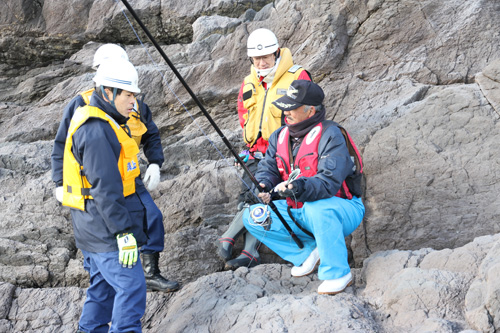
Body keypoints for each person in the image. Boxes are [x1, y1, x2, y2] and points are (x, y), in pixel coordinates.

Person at [51, 44, 179, 292]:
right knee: (104, 231)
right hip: (95, 181)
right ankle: (104, 276)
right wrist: (59, 182)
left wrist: (154, 162)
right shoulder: (81, 104)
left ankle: (150, 271)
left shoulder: (135, 104)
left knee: (152, 217)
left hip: (129, 176)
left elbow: (151, 135)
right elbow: (61, 145)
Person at [242, 80, 365, 295]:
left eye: (291, 107)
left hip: (342, 209)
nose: (285, 111)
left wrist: (299, 186)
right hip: (298, 210)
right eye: (285, 105)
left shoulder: (331, 135)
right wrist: (262, 184)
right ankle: (308, 253)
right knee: (253, 215)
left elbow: (328, 182)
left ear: (310, 111)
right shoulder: (278, 136)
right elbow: (268, 168)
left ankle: (338, 273)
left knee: (319, 208)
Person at [216, 28, 312, 270]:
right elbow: (243, 114)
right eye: (256, 58)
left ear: (277, 52)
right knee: (249, 197)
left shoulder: (298, 75)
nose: (261, 62)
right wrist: (248, 148)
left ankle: (230, 238)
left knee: (261, 196)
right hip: (255, 153)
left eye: (266, 56)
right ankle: (249, 253)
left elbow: (309, 112)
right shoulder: (248, 82)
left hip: (283, 152)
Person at [63, 58, 147, 332]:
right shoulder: (97, 130)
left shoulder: (101, 119)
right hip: (105, 230)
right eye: (128, 94)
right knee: (131, 286)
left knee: (102, 288)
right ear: (108, 93)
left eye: (134, 95)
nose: (133, 102)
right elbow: (106, 190)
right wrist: (123, 233)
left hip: (90, 227)